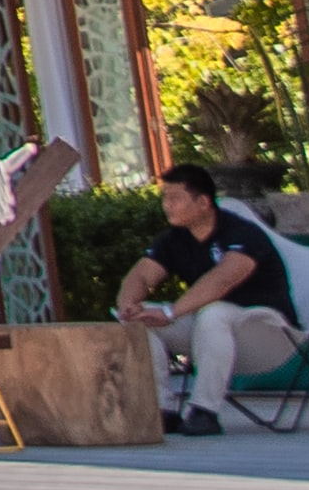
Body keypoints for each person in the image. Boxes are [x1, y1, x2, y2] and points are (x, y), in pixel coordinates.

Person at [115, 161, 290, 436]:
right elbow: (139, 276)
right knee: (141, 319)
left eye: (175, 198)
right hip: (210, 334)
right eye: (165, 198)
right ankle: (162, 410)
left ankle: (204, 410)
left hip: (267, 331)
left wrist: (172, 312)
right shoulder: (174, 239)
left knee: (214, 311)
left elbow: (222, 280)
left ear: (203, 202)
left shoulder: (242, 234)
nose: (167, 205)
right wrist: (128, 305)